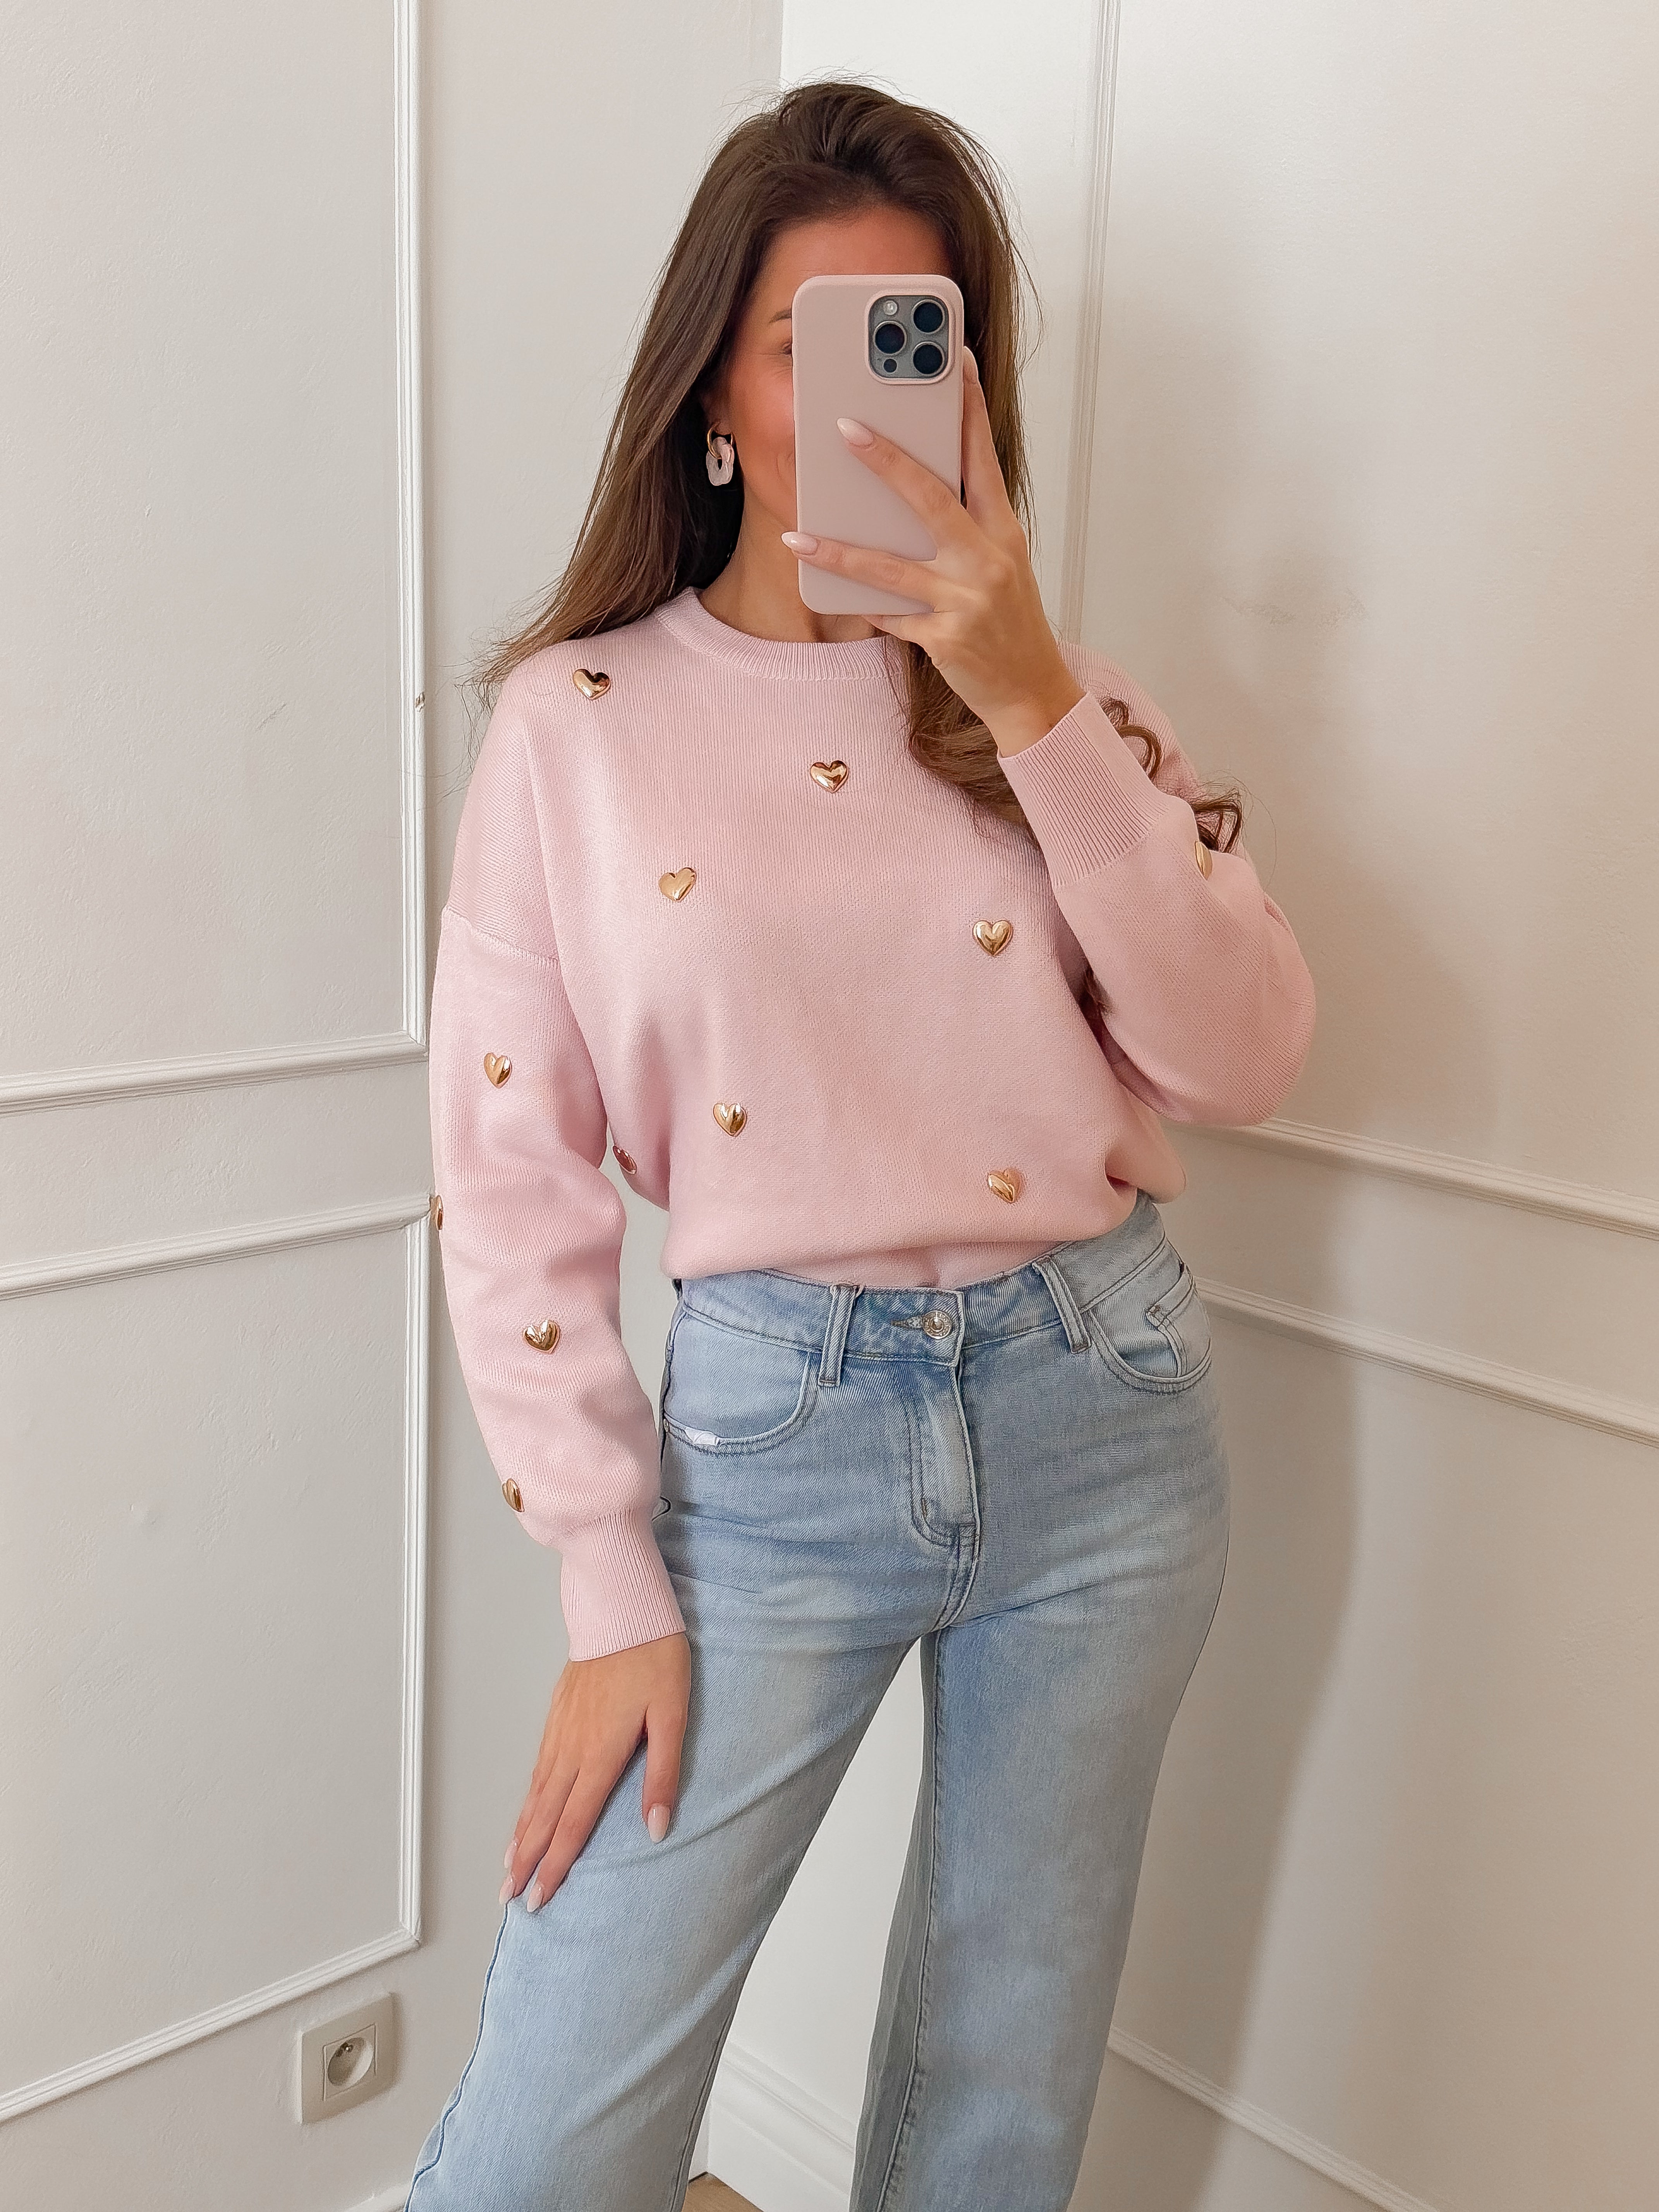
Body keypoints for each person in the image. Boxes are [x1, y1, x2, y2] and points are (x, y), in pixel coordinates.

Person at [405, 77, 1314, 2212]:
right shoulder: (577, 727)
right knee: (548, 2143)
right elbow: (511, 1180)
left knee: (1000, 2098)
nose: (872, 398)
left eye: (924, 338)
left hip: (1107, 1412)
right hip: (771, 1449)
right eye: (815, 343)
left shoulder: (1059, 705)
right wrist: (605, 1577)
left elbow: (1246, 1053)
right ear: (715, 393)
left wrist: (1028, 698)